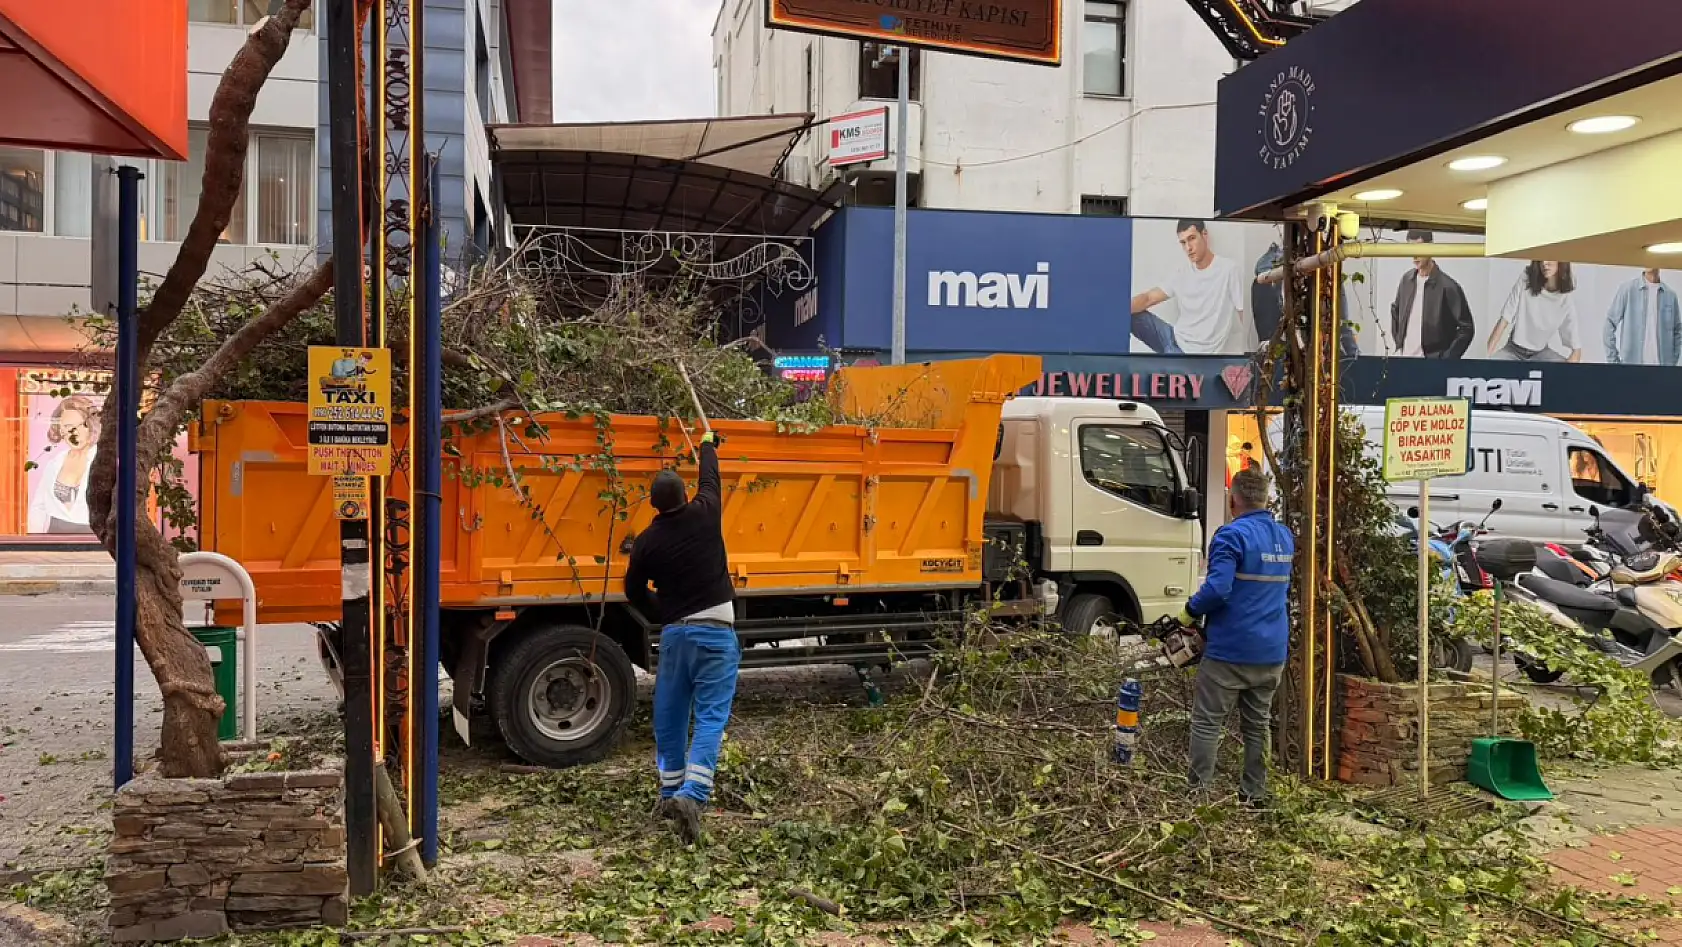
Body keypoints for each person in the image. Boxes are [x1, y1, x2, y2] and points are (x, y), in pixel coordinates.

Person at [623, 430, 740, 844]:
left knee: (670, 715)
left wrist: (664, 613)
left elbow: (633, 592)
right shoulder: (706, 513)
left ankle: (669, 793)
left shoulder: (647, 544)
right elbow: (712, 479)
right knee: (710, 717)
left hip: (676, 636)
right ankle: (693, 794)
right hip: (716, 634)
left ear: (653, 505)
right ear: (684, 496)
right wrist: (708, 443)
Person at [1180, 467, 1293, 805]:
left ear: (1233, 500)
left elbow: (1217, 589)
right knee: (1257, 725)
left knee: (1207, 724)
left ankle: (1199, 798)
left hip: (1230, 650)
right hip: (1271, 651)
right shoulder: (1285, 536)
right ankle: (1254, 795)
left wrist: (1188, 612)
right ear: (1265, 499)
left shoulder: (1231, 536)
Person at [1132, 220, 1252, 355]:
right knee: (1127, 313)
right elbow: (1149, 298)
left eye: (1192, 239)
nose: (1188, 248)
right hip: (1172, 338)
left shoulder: (1229, 270)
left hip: (1193, 355)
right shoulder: (1181, 273)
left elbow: (1244, 313)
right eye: (1183, 243)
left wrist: (1251, 353)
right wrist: (1114, 311)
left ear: (1205, 235)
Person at [1390, 231, 1476, 359]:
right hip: (1405, 361)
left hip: (1432, 365)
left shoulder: (1448, 287)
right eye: (1410, 249)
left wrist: (1445, 360)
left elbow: (1467, 328)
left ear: (1431, 246)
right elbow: (1396, 311)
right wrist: (1399, 342)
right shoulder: (1406, 280)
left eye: (1418, 248)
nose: (1414, 256)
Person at [27, 394, 101, 534]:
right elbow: (38, 507)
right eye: (68, 427)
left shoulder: (105, 461)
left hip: (95, 538)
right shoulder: (54, 464)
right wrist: (34, 542)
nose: (75, 433)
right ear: (60, 430)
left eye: (81, 426)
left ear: (91, 427)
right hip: (55, 537)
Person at [1487, 261, 1582, 362]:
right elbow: (1505, 318)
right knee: (1492, 369)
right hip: (1513, 351)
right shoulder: (1526, 278)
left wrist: (1567, 374)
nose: (1544, 263)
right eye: (1541, 258)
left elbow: (1577, 350)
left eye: (1550, 257)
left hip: (1541, 354)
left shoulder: (1566, 300)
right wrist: (1486, 357)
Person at [1604, 269, 1680, 366]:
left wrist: (1673, 363)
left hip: (1664, 371)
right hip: (1633, 371)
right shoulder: (1628, 290)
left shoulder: (1670, 295)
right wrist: (1614, 363)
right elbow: (1609, 323)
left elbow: (1678, 332)